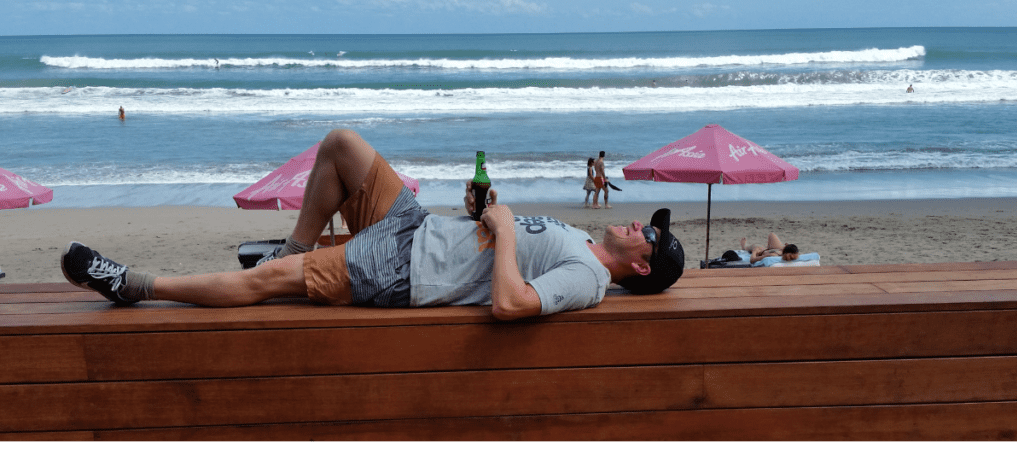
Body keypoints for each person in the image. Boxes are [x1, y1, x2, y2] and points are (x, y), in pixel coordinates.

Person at [60, 129, 685, 321]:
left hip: (400, 269)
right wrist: (486, 217)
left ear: (640, 266)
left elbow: (512, 303)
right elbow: (499, 246)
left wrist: (508, 230)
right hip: (419, 227)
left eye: (648, 234)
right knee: (341, 145)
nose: (637, 223)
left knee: (266, 281)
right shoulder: (581, 242)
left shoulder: (588, 279)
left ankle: (134, 285)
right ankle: (297, 245)